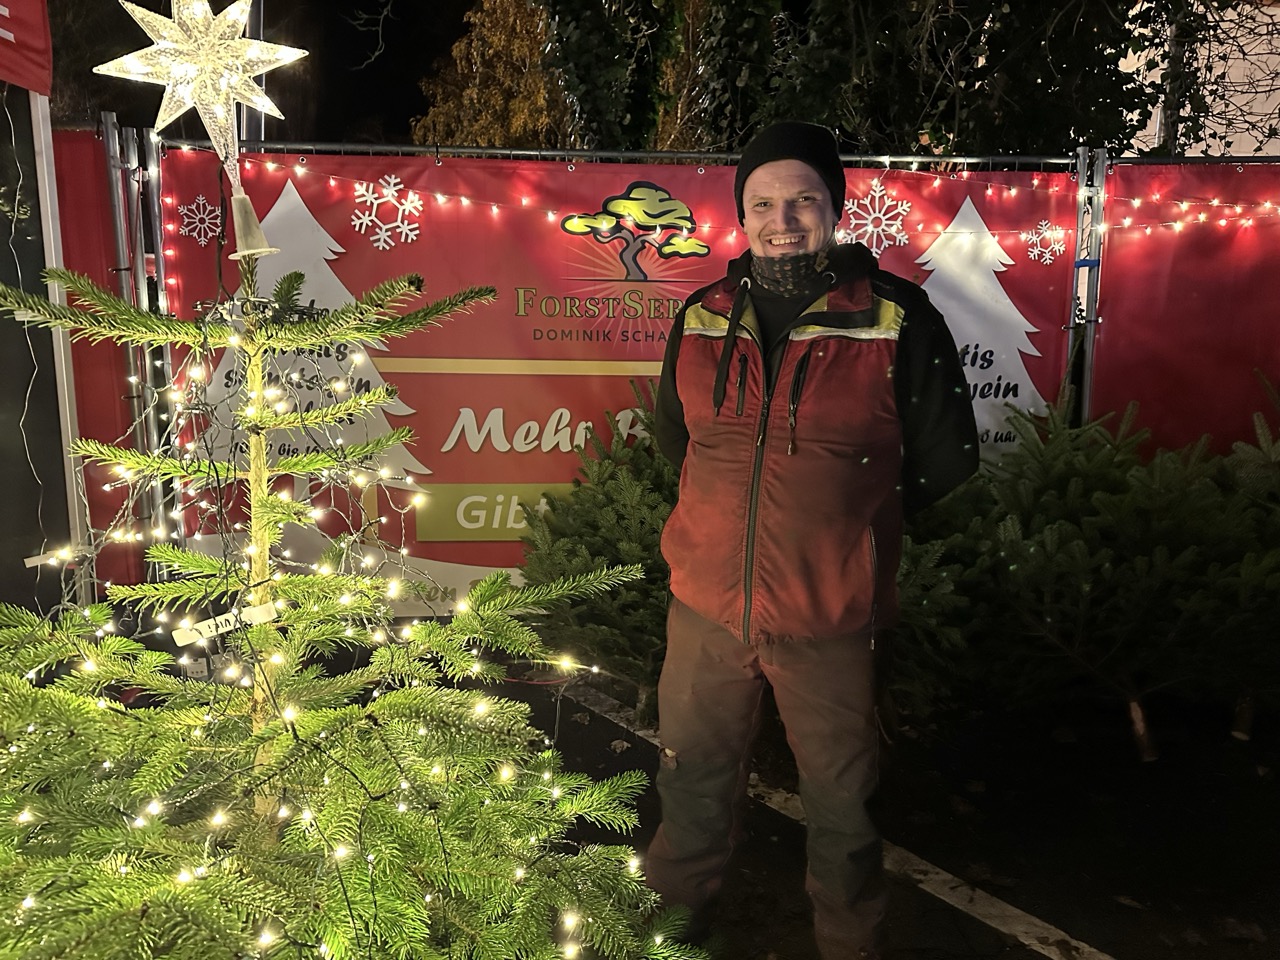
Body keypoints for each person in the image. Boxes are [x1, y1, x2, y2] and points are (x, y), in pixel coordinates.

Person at [646, 121, 979, 959]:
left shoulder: (897, 317)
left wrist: (849, 525)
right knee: (689, 782)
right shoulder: (703, 314)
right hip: (706, 609)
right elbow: (677, 440)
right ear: (741, 214)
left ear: (834, 207)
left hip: (830, 612)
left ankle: (848, 945)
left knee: (843, 806)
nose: (782, 220)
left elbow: (947, 461)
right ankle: (669, 933)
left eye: (802, 200)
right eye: (763, 203)